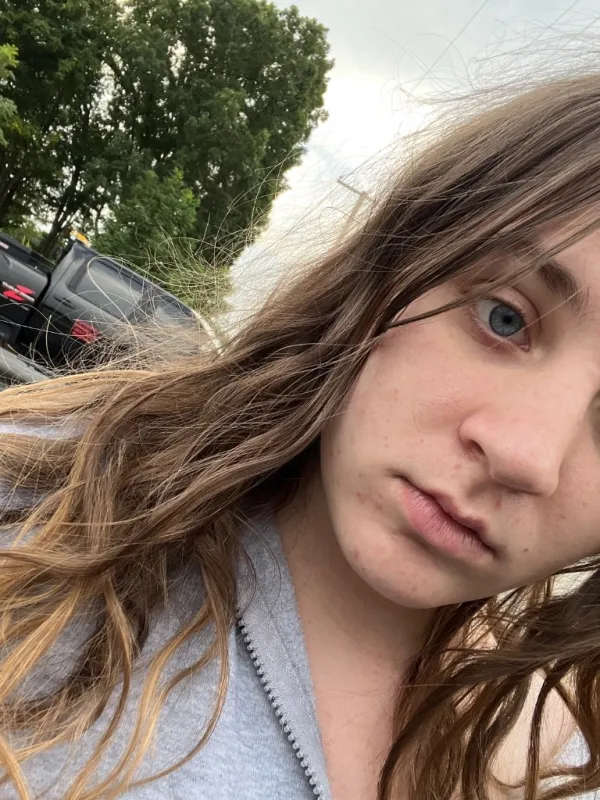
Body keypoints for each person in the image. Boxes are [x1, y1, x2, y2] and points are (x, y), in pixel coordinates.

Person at [1, 70, 600, 800]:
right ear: (394, 269)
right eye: (505, 317)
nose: (525, 455)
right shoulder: (35, 507)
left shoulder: (562, 764)